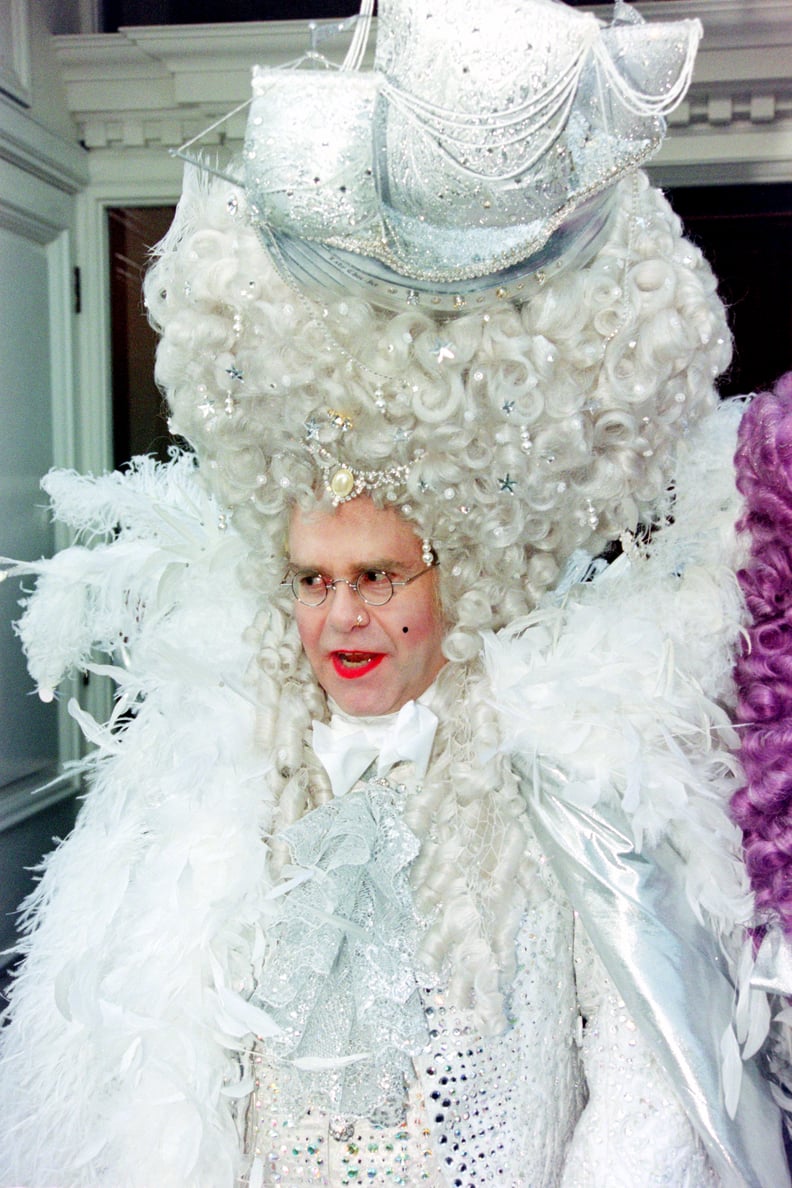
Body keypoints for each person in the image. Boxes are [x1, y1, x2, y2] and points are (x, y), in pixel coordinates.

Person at [1, 1, 791, 1184]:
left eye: (378, 576)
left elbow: (646, 1100)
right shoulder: (223, 778)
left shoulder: (572, 781)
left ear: (460, 578)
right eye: (313, 581)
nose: (341, 619)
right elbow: (151, 1090)